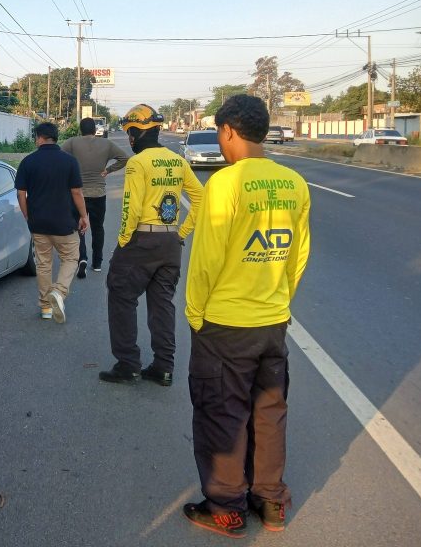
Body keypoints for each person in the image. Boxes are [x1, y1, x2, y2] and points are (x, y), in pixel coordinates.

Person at [182, 94, 310, 538]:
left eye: (219, 134)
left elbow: (207, 259)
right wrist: (280, 303)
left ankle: (226, 507)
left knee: (222, 413)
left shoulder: (225, 183)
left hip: (225, 325)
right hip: (272, 323)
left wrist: (195, 313)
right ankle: (270, 500)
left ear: (228, 131)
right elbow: (298, 255)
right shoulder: (294, 183)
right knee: (269, 411)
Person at [100, 104, 203, 386]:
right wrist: (181, 233)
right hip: (170, 242)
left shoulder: (138, 163)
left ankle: (128, 364)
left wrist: (123, 243)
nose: (129, 138)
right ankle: (163, 367)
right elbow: (201, 198)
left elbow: (131, 209)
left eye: (130, 133)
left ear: (136, 133)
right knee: (162, 304)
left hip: (141, 240)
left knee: (121, 296)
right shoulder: (177, 161)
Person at [14, 122, 90, 323]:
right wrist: (84, 216)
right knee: (71, 258)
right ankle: (59, 291)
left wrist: (28, 216)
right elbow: (76, 192)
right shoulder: (69, 161)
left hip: (38, 223)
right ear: (55, 138)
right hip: (65, 223)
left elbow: (21, 194)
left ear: (39, 138)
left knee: (44, 264)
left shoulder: (28, 161)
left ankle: (46, 307)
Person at [61, 117, 128, 277]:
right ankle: (97, 263)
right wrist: (108, 170)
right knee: (98, 228)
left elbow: (59, 157)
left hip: (78, 194)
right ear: (95, 130)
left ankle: (82, 258)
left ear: (80, 130)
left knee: (79, 227)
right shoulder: (106, 144)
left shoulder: (72, 142)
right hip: (99, 193)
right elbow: (125, 158)